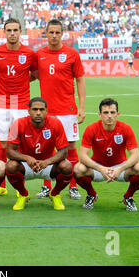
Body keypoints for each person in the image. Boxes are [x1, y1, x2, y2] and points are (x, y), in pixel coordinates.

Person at [35, 18, 86, 200]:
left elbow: (80, 80)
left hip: (67, 109)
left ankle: (73, 186)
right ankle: (46, 186)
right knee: (47, 149)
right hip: (45, 111)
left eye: (58, 32)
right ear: (46, 33)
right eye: (51, 32)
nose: (54, 36)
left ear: (62, 34)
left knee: (70, 147)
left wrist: (81, 107)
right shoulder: (39, 54)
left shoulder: (72, 54)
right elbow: (31, 75)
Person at [0, 17, 38, 197]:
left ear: (20, 31)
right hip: (2, 103)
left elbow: (34, 74)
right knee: (1, 144)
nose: (12, 34)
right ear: (4, 32)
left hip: (22, 103)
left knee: (22, 145)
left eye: (15, 30)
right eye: (8, 30)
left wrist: (22, 82)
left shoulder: (29, 53)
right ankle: (1, 185)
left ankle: (20, 186)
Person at [74, 98, 139, 211]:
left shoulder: (126, 128)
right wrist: (101, 168)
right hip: (98, 168)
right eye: (105, 112)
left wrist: (120, 169)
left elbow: (135, 155)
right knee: (78, 169)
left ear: (118, 114)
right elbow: (82, 156)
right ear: (99, 114)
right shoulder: (91, 128)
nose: (109, 116)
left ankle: (128, 197)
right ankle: (91, 195)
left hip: (120, 168)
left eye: (112, 112)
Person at [5, 97, 73, 211]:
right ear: (28, 111)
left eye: (41, 110)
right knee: (10, 166)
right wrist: (27, 158)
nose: (38, 113)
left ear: (46, 111)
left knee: (67, 166)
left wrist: (47, 161)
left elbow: (64, 152)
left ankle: (55, 194)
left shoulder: (55, 123)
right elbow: (9, 151)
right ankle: (23, 194)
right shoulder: (19, 123)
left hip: (48, 165)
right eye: (35, 109)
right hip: (26, 165)